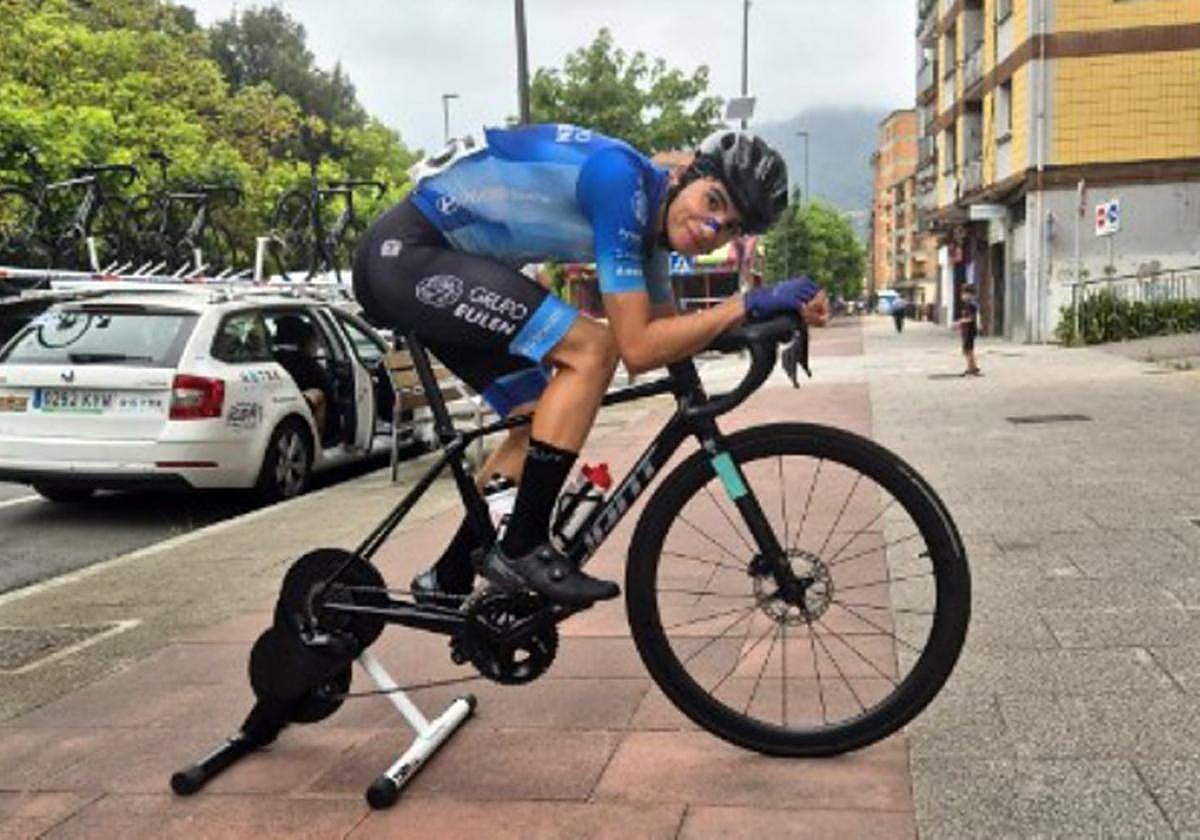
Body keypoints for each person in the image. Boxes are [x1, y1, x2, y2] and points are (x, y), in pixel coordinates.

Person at [352, 124, 828, 608]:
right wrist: (745, 304)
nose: (712, 230)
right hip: (408, 255)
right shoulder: (621, 183)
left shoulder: (652, 235)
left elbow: (671, 339)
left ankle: (448, 578)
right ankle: (522, 548)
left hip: (433, 262)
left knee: (538, 417)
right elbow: (638, 348)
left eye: (729, 228)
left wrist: (765, 315)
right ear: (685, 175)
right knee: (594, 349)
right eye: (714, 203)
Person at [273, 315, 334, 440]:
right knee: (318, 394)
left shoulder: (270, 359)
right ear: (305, 340)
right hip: (297, 411)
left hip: (273, 409)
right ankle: (317, 442)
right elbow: (329, 392)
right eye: (315, 341)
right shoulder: (308, 364)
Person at [954, 283, 982, 376]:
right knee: (968, 350)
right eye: (962, 294)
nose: (963, 296)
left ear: (971, 295)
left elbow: (971, 318)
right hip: (967, 330)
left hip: (970, 330)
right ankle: (973, 367)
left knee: (968, 350)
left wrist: (960, 322)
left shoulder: (971, 305)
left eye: (965, 294)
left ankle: (971, 368)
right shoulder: (968, 304)